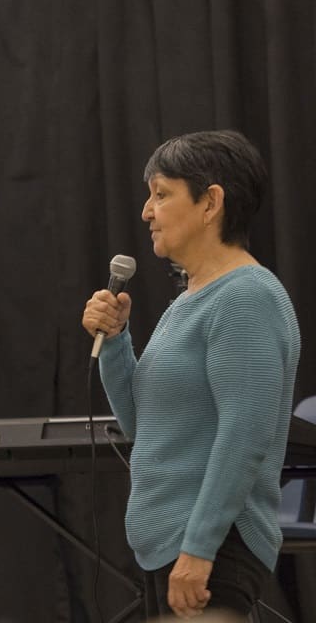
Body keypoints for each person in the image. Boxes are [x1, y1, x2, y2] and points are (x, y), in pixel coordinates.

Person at [81, 130, 301, 620]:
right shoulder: (188, 302)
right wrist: (116, 341)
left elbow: (245, 436)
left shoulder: (247, 297)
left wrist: (200, 549)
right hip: (171, 543)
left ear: (211, 203)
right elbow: (144, 426)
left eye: (161, 194)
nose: (146, 211)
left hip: (213, 547)